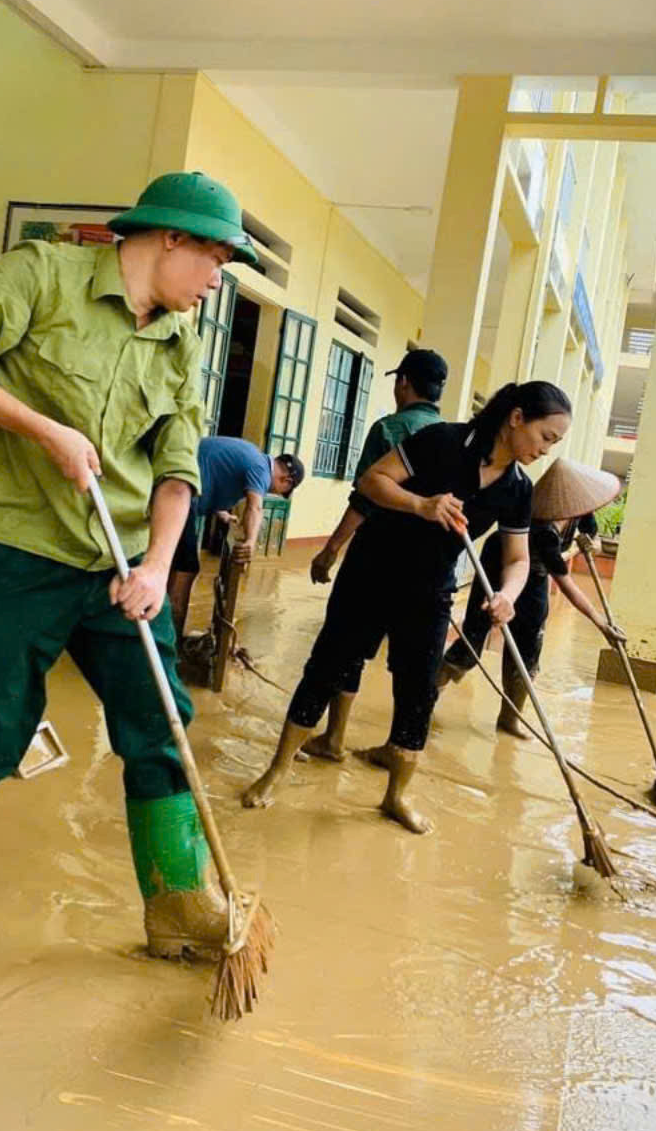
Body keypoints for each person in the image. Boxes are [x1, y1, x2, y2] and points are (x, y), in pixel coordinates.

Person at [0, 170, 260, 962]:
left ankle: (174, 901)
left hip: (126, 563)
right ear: (171, 238)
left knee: (163, 726)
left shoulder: (179, 339)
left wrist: (160, 567)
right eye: (215, 261)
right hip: (22, 552)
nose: (214, 281)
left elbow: (178, 468)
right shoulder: (42, 276)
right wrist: (39, 429)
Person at [242, 381, 572, 834]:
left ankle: (396, 796)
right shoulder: (444, 441)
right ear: (516, 418)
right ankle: (277, 769)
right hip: (372, 571)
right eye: (546, 437)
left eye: (554, 443)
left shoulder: (517, 489)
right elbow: (372, 480)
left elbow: (518, 559)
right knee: (328, 666)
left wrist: (507, 595)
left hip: (432, 588)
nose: (546, 450)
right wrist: (421, 504)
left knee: (418, 691)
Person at [301, 347, 448, 762]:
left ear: (403, 382)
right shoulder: (447, 438)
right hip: (424, 574)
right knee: (410, 668)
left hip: (374, 562)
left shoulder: (390, 429)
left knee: (344, 648)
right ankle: (397, 750)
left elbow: (365, 499)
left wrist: (330, 551)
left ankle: (333, 738)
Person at [437, 458, 625, 734]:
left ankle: (510, 718)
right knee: (473, 639)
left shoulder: (580, 510)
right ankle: (429, 693)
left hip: (536, 575)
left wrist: (591, 544)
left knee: (529, 644)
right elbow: (567, 585)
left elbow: (591, 538)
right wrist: (600, 623)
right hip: (499, 565)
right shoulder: (541, 528)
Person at [167, 438, 304, 638]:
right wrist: (249, 541)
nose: (274, 492)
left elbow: (216, 474)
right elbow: (255, 507)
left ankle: (157, 629)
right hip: (179, 493)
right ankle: (169, 639)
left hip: (177, 487)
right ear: (287, 481)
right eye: (282, 491)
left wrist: (220, 512)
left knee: (172, 563)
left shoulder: (252, 456)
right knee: (186, 568)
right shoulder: (261, 470)